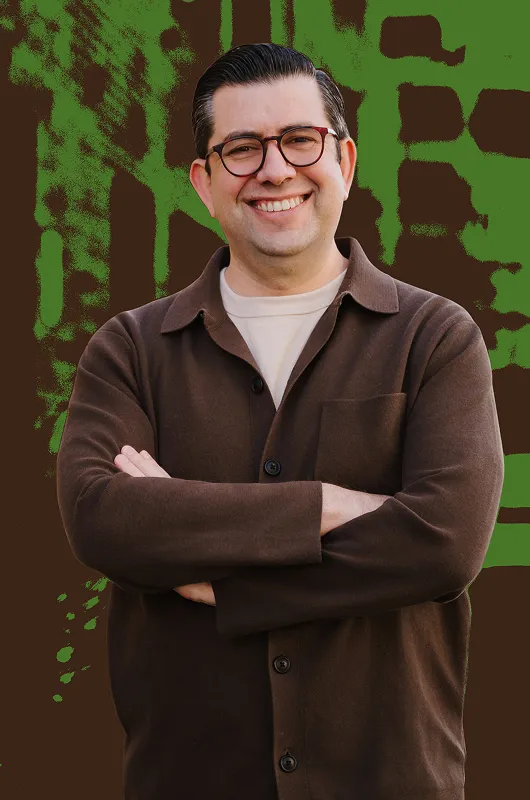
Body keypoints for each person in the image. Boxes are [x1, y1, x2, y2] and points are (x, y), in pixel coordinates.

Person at [56, 42, 504, 800]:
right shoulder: (130, 349)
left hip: (389, 780)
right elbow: (103, 520)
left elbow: (445, 544)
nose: (274, 169)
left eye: (300, 139)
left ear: (346, 159)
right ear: (203, 181)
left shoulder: (436, 336)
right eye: (240, 149)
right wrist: (324, 506)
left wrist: (226, 582)